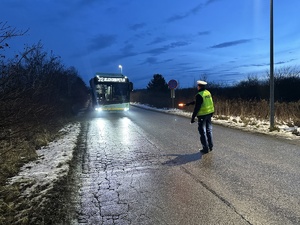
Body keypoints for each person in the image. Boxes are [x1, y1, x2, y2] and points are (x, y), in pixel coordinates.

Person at [185, 80, 215, 154]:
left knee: (202, 132)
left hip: (202, 115)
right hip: (209, 114)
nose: (197, 87)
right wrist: (190, 103)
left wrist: (192, 118)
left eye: (198, 86)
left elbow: (197, 107)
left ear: (199, 86)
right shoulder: (207, 92)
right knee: (209, 130)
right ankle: (210, 146)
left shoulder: (199, 95)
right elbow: (203, 102)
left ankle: (205, 148)